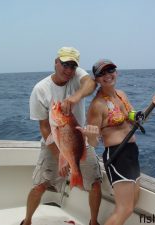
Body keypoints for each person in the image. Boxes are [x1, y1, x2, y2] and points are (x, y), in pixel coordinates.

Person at [21, 47, 102, 225]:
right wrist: (60, 157)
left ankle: (93, 222)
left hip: (80, 141)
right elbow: (44, 128)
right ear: (56, 63)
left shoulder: (76, 76)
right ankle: (27, 221)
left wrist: (75, 98)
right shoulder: (40, 89)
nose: (68, 70)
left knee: (95, 182)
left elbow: (91, 83)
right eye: (65, 64)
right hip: (53, 141)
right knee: (40, 185)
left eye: (73, 66)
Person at [79, 59, 155, 225]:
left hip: (132, 153)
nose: (107, 76)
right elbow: (94, 143)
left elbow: (135, 120)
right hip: (117, 156)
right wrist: (89, 136)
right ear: (96, 79)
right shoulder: (97, 105)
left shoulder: (121, 95)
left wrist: (152, 105)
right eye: (101, 74)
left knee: (133, 203)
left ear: (116, 72)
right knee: (124, 209)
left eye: (110, 70)